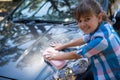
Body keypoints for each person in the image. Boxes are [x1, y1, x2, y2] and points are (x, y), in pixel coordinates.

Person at [43, 0, 120, 80]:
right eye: (79, 21)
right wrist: (62, 46)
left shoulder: (101, 41)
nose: (82, 24)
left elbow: (77, 54)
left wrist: (55, 56)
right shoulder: (104, 26)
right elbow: (85, 38)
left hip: (112, 75)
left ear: (99, 17)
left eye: (87, 19)